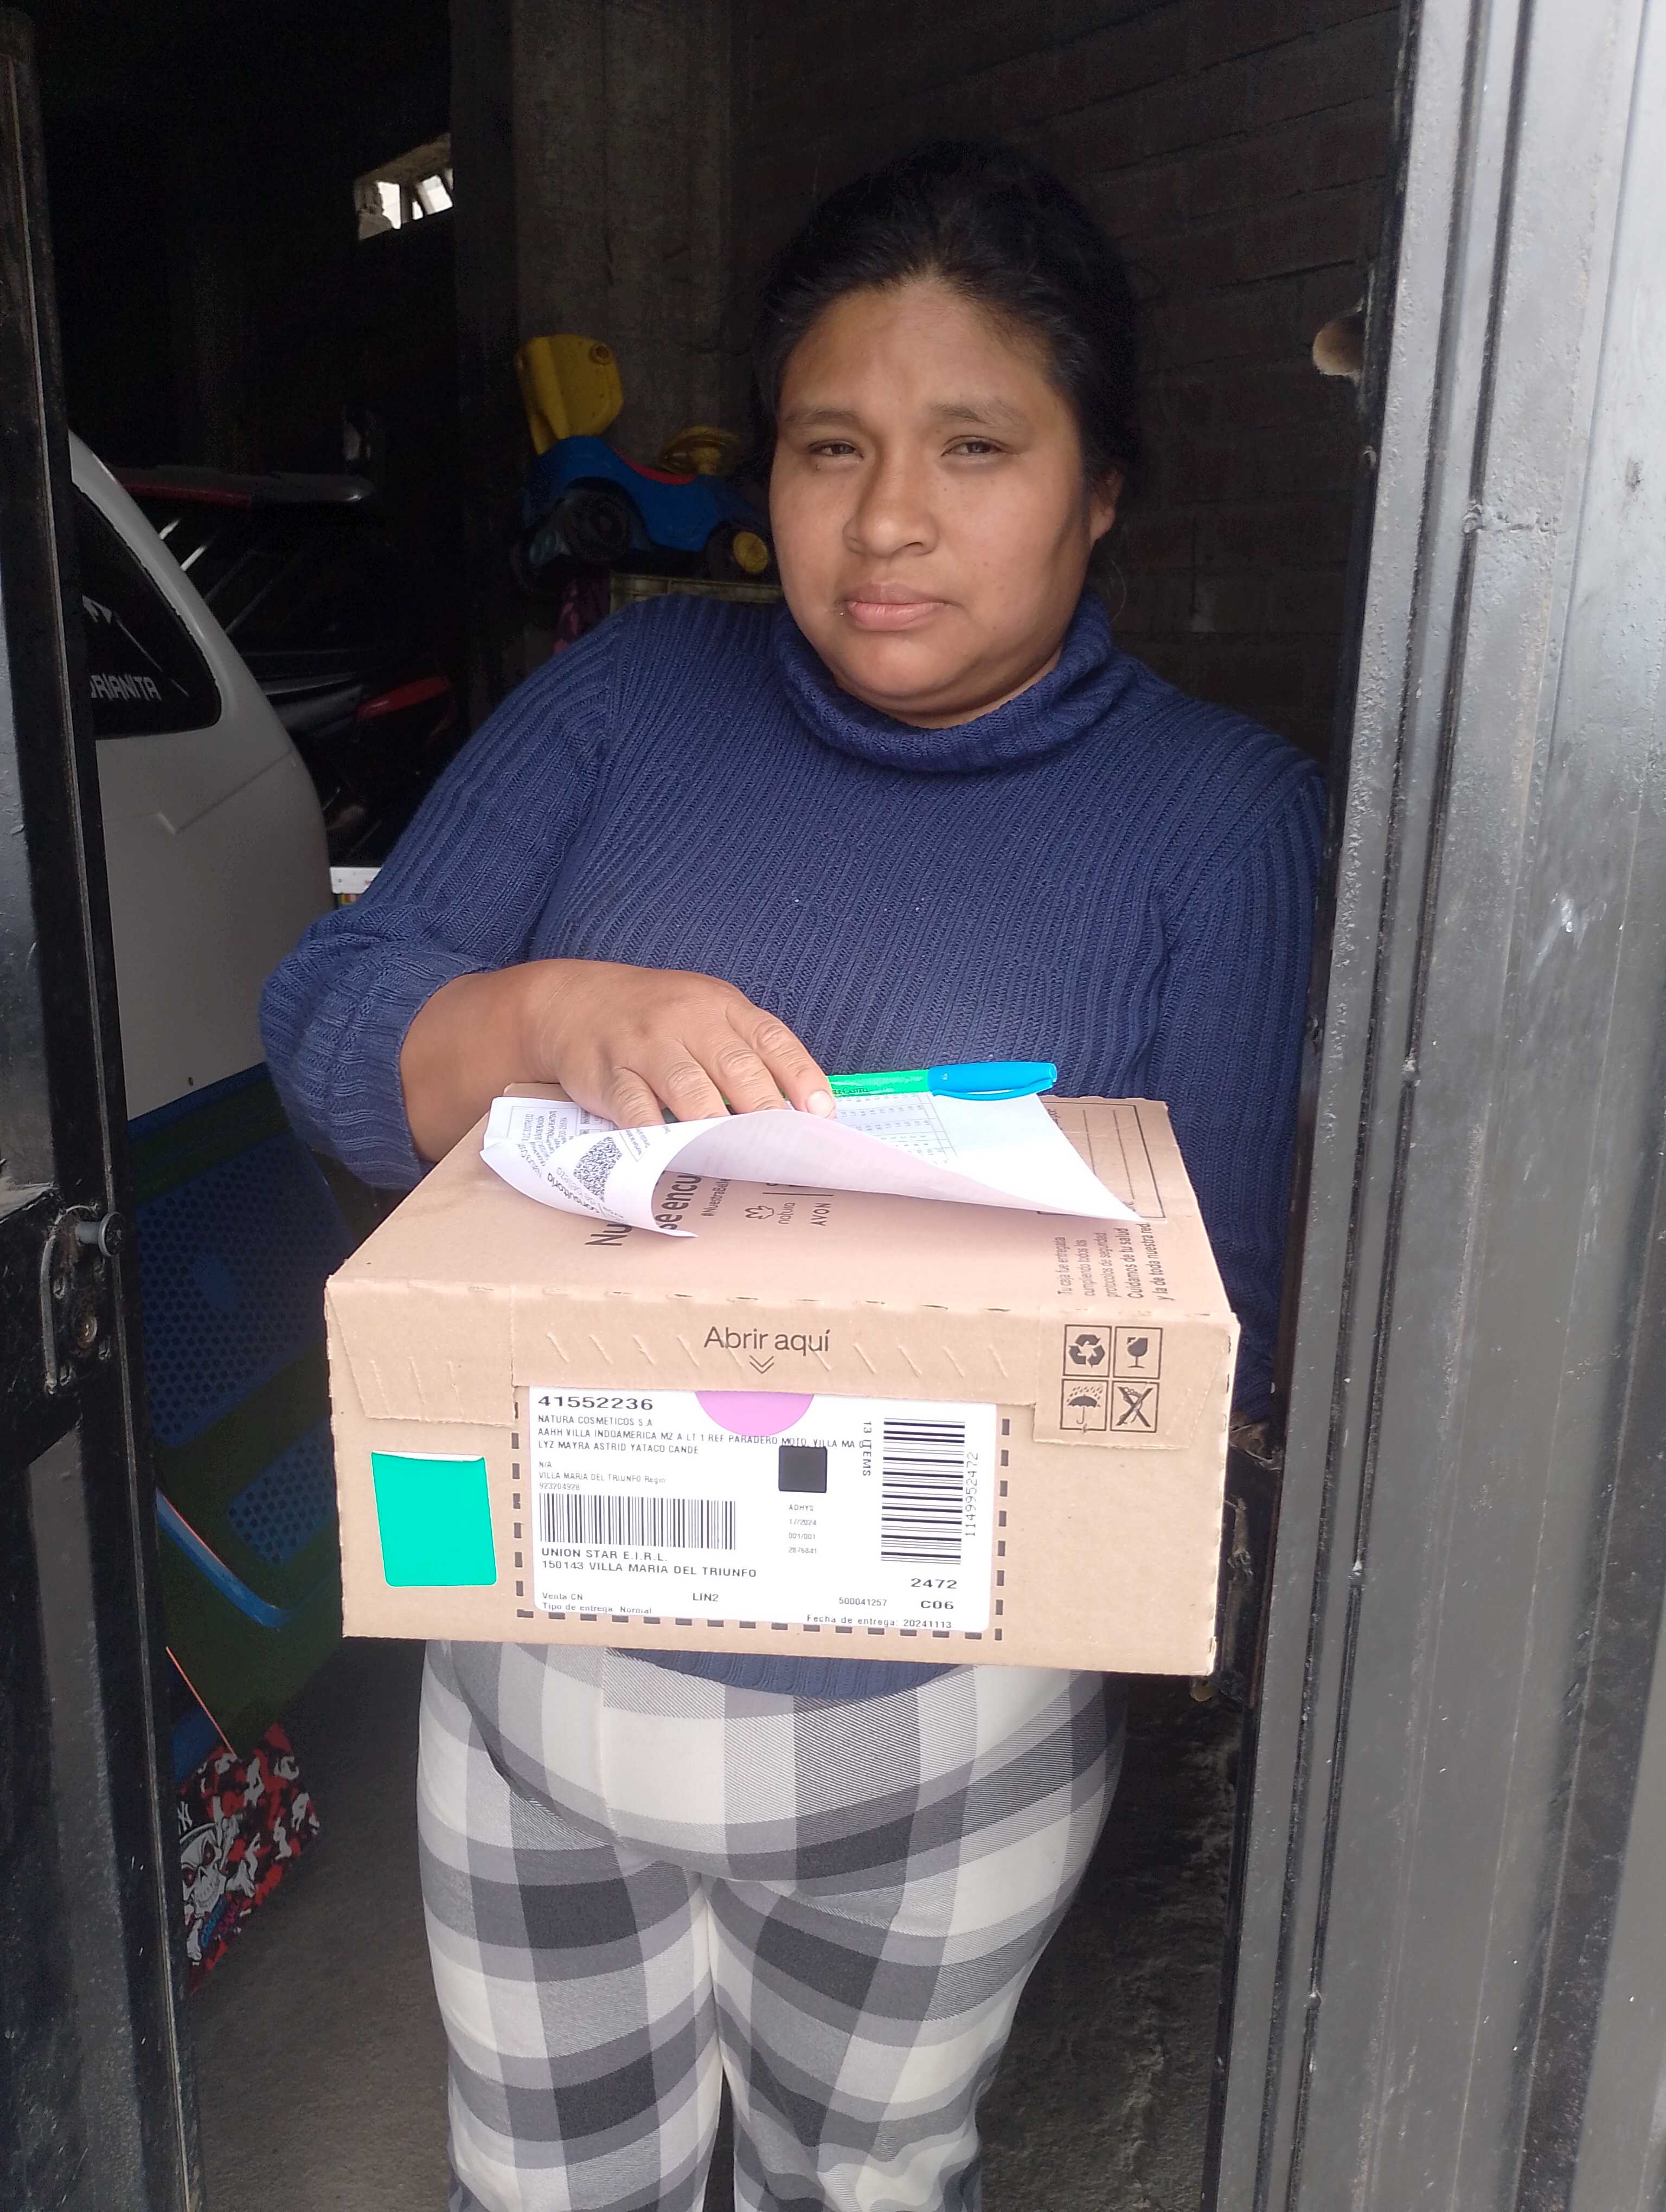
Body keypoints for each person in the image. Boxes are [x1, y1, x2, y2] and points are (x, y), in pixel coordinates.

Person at [264, 140, 1323, 2212]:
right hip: (538, 1685)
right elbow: (327, 1025)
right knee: (543, 2182)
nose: (888, 518)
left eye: (975, 447)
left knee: (864, 2180)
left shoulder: (1220, 820)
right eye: (831, 445)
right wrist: (550, 1013)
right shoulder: (626, 697)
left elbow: (1223, 1329)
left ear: (1103, 485)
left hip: (937, 1736)